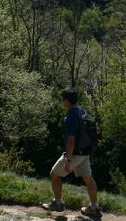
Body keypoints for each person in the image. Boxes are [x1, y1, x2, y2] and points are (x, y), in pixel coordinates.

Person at [42, 88, 101, 218]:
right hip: (85, 151)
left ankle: (58, 203)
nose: (62, 102)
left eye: (63, 99)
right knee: (88, 179)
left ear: (67, 101)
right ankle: (94, 208)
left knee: (54, 174)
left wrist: (68, 161)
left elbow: (71, 142)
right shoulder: (81, 111)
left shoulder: (70, 117)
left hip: (75, 153)